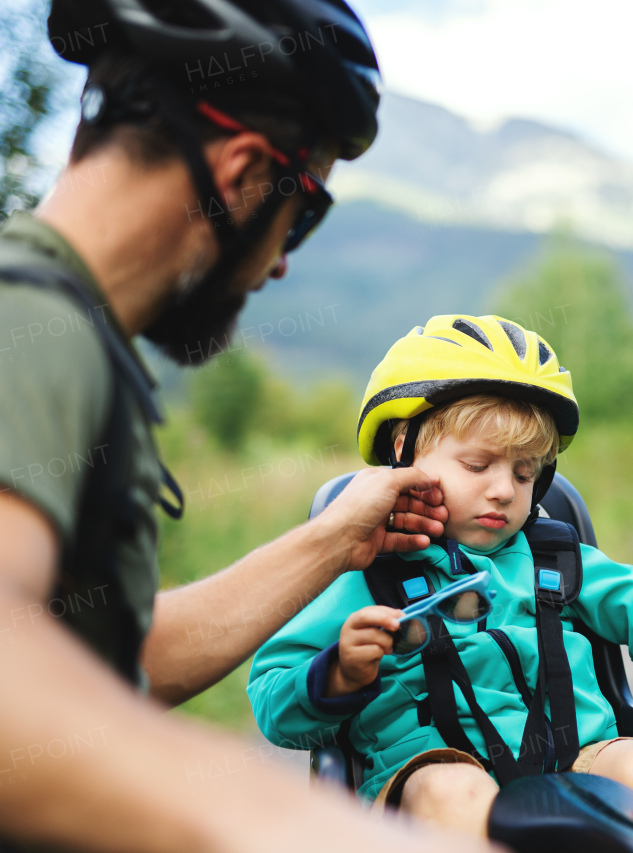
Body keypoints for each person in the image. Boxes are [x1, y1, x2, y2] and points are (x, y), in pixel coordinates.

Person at [0, 3, 485, 851]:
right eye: (303, 212)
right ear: (243, 174)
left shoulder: (71, 338)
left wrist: (336, 539)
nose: (285, 258)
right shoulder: (30, 325)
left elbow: (107, 665)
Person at [248, 315, 633, 853]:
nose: (504, 490)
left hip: (576, 751)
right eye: (476, 463)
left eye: (525, 472)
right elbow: (274, 702)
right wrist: (340, 674)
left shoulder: (558, 558)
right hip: (429, 766)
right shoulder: (365, 569)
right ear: (404, 450)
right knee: (454, 794)